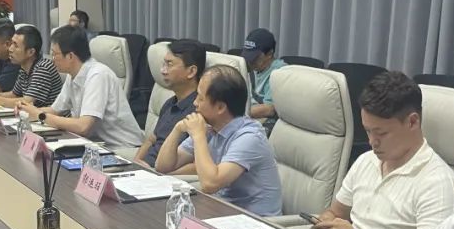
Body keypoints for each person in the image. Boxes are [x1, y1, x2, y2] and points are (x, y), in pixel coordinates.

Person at [311, 71, 454, 229]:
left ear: (412, 122)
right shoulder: (366, 161)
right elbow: (336, 213)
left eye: (381, 133)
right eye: (368, 131)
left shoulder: (437, 183)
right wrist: (327, 224)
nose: (372, 142)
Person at [154, 64, 283, 216]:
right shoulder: (210, 126)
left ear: (220, 107)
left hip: (256, 221)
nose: (195, 103)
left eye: (200, 98)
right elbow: (163, 166)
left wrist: (198, 136)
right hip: (222, 210)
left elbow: (210, 184)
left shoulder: (249, 137)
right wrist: (177, 129)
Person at [18, 25, 143, 150]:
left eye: (55, 54)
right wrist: (28, 110)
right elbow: (54, 110)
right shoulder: (72, 74)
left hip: (122, 149)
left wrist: (41, 116)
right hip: (95, 145)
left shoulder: (98, 75)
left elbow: (83, 126)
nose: (52, 59)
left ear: (70, 56)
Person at [135, 39, 205, 167]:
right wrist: (136, 162)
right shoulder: (169, 103)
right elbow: (151, 139)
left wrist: (156, 172)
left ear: (191, 71)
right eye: (164, 64)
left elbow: (195, 161)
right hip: (146, 168)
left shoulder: (199, 109)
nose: (163, 71)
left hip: (164, 172)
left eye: (169, 64)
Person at [0, 25, 62, 110]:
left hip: (47, 116)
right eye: (11, 43)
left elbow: (27, 102)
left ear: (31, 52)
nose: (10, 49)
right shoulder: (24, 68)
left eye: (16, 45)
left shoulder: (43, 68)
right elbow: (14, 94)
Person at [241, 28, 285, 121]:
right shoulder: (254, 68)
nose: (250, 62)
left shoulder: (279, 73)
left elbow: (269, 109)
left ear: (269, 54)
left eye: (255, 57)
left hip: (264, 122)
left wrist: (236, 113)